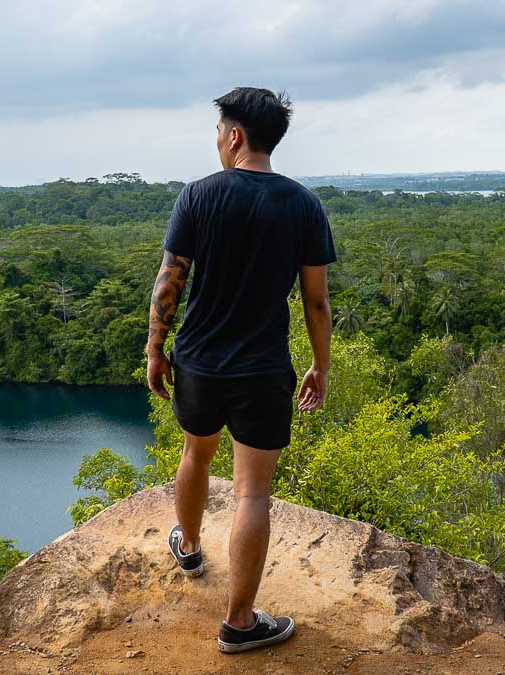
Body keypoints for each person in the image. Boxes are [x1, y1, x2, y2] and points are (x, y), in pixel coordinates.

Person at [145, 86, 338, 654]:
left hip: (199, 362)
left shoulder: (198, 196)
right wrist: (319, 366)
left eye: (219, 132)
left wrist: (156, 349)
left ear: (233, 136)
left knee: (194, 454)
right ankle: (239, 623)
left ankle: (190, 546)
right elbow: (316, 302)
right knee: (253, 493)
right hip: (263, 369)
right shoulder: (304, 205)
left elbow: (169, 281)